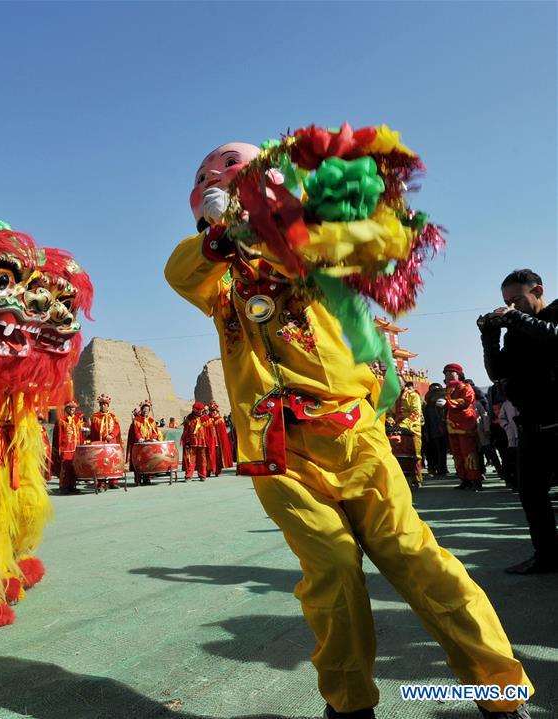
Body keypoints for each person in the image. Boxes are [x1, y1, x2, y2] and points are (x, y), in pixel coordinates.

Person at [165, 140, 532, 718]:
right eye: (226, 200)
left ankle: (499, 693)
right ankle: (350, 707)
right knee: (333, 575)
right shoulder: (220, 281)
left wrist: (266, 223)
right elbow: (180, 272)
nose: (239, 210)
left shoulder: (318, 245)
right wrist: (221, 237)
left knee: (418, 559)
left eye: (247, 197)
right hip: (279, 452)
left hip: (355, 435)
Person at [479, 268, 558, 574]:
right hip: (531, 427)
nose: (511, 307)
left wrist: (514, 319)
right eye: (506, 302)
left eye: (517, 300)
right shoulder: (516, 331)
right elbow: (497, 372)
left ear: (537, 291)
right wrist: (489, 336)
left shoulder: (554, 313)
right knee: (532, 496)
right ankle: (546, 556)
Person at [443, 364, 483, 492]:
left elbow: (467, 401)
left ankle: (475, 480)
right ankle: (464, 479)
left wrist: (448, 402)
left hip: (465, 424)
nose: (448, 375)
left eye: (451, 373)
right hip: (452, 425)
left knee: (469, 453)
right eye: (446, 374)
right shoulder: (447, 389)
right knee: (457, 454)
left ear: (458, 374)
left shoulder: (466, 387)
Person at [386, 381, 423, 488]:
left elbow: (416, 412)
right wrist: (390, 419)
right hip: (396, 429)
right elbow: (389, 412)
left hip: (412, 428)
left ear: (403, 384)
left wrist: (403, 424)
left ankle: (416, 477)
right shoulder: (392, 398)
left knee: (415, 453)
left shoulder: (413, 395)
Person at [88, 393, 123, 489]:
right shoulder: (95, 417)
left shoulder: (113, 416)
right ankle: (101, 483)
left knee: (112, 461)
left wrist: (111, 436)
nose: (104, 406)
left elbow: (116, 428)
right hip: (100, 443)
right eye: (102, 404)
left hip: (111, 442)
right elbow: (95, 429)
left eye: (105, 404)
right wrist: (104, 436)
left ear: (108, 406)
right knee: (100, 462)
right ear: (100, 405)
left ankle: (113, 481)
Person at [51, 399, 86, 494]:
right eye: (70, 407)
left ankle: (72, 486)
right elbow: (57, 436)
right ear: (66, 408)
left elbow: (81, 435)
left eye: (73, 408)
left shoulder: (77, 420)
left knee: (74, 469)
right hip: (65, 449)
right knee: (65, 469)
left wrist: (81, 448)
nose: (72, 409)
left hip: (75, 449)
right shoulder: (61, 420)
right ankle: (64, 486)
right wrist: (58, 450)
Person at [125, 400, 162, 478]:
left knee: (149, 460)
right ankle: (138, 477)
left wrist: (153, 438)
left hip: (149, 444)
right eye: (144, 410)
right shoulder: (137, 420)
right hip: (140, 444)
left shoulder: (151, 421)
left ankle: (148, 477)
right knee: (140, 461)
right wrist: (140, 439)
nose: (146, 411)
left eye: (147, 410)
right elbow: (136, 431)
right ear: (141, 410)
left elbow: (155, 431)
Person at [421, 383, 448, 476]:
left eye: (437, 390)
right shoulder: (427, 406)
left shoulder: (445, 403)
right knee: (433, 450)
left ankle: (442, 468)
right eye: (432, 390)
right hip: (432, 430)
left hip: (444, 430)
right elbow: (426, 419)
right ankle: (434, 467)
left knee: (442, 450)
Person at [181, 402, 211, 481]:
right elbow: (186, 431)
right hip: (192, 442)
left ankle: (202, 475)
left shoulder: (206, 418)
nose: (199, 412)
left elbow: (210, 431)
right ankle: (188, 475)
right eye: (198, 410)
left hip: (203, 442)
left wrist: (210, 441)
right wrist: (186, 441)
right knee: (190, 459)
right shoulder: (189, 418)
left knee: (202, 459)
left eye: (201, 410)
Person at [207, 401, 234, 475]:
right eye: (210, 411)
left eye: (213, 411)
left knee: (218, 457)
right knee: (208, 456)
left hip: (218, 443)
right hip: (209, 442)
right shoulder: (207, 419)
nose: (212, 412)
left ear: (216, 410)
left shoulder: (220, 420)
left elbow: (223, 434)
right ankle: (208, 471)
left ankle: (217, 471)